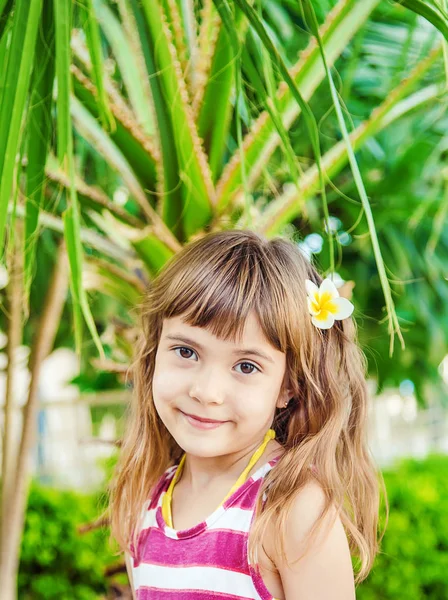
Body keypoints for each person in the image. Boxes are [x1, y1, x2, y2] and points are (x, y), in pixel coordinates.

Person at [108, 229, 388, 599]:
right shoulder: (146, 501)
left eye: (245, 366)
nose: (206, 392)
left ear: (288, 386)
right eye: (186, 352)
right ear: (155, 350)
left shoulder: (290, 509)